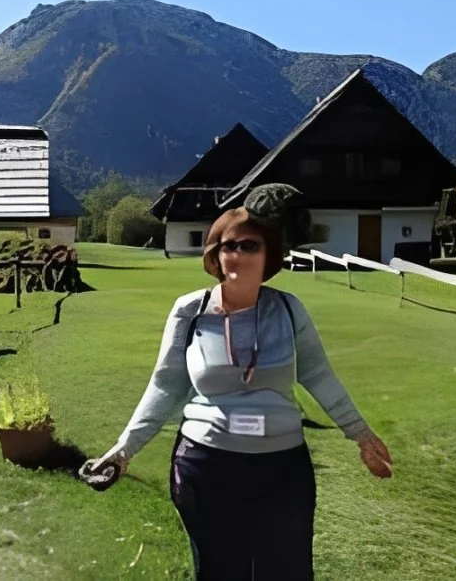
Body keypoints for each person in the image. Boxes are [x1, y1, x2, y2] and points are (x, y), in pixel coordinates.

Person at [88, 205, 393, 580]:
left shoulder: (288, 309)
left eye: (251, 246)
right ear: (215, 253)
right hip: (207, 467)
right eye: (229, 245)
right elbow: (165, 386)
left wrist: (360, 433)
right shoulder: (191, 311)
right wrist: (123, 450)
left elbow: (318, 375)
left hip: (283, 471)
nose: (238, 255)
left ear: (269, 256)